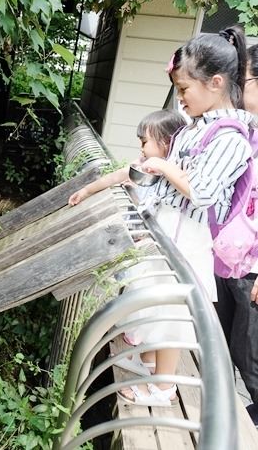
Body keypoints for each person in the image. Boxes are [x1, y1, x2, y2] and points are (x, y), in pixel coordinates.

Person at [115, 26, 252, 407]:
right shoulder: (195, 129)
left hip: (192, 239)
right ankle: (153, 370)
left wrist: (163, 166)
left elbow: (203, 191)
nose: (180, 98)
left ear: (216, 83)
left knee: (173, 312)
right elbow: (169, 182)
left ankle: (163, 389)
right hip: (170, 229)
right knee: (159, 303)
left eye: (184, 90)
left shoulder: (232, 138)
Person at [215, 42, 258, 426]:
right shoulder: (248, 130)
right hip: (231, 256)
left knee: (250, 352)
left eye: (243, 79)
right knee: (228, 343)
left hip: (253, 269)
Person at [68, 109, 186, 207]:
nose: (141, 148)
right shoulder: (144, 163)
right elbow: (115, 177)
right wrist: (86, 191)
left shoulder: (177, 169)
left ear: (166, 141)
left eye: (144, 142)